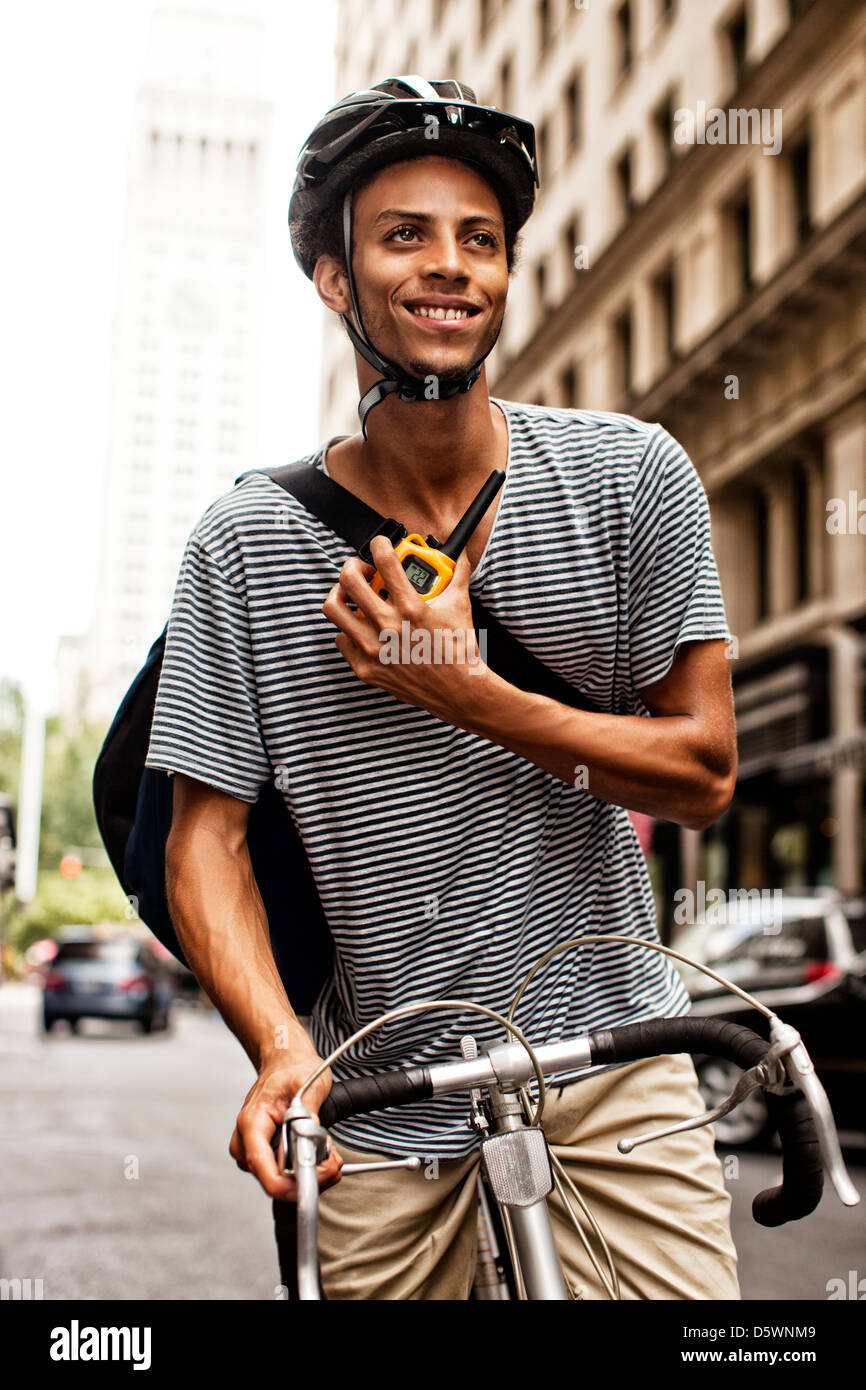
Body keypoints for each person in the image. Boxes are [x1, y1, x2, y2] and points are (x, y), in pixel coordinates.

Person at [145, 77, 740, 1300]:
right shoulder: (246, 543)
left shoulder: (627, 477)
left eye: (479, 240)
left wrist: (462, 687)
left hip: (613, 1060)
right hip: (372, 1096)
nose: (449, 267)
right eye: (404, 236)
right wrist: (277, 1050)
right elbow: (203, 840)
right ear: (332, 278)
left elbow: (701, 773)